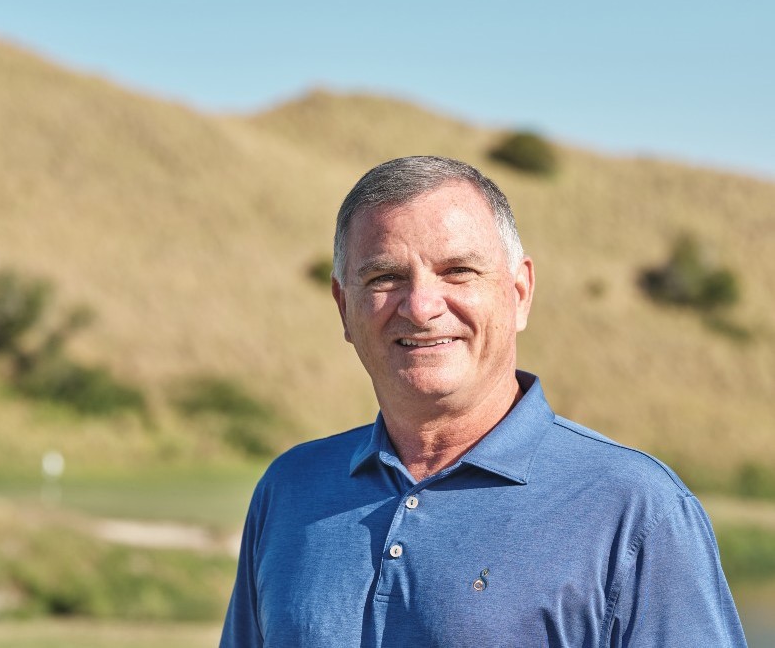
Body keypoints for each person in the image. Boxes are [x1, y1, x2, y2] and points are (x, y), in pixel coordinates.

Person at [220, 156, 746, 647]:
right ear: (343, 306)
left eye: (458, 272)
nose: (422, 307)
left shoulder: (636, 510)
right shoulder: (288, 491)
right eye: (385, 278)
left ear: (519, 293)